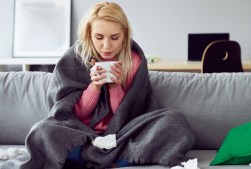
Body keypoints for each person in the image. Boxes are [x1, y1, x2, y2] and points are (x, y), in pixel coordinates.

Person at [1, 2, 195, 169]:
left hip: (123, 134)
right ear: (89, 34)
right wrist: (94, 87)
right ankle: (116, 160)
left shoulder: (134, 59)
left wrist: (114, 87)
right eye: (99, 37)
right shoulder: (74, 58)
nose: (107, 46)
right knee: (42, 131)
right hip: (79, 134)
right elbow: (68, 114)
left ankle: (88, 160)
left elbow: (133, 114)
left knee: (175, 121)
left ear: (124, 34)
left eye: (114, 38)